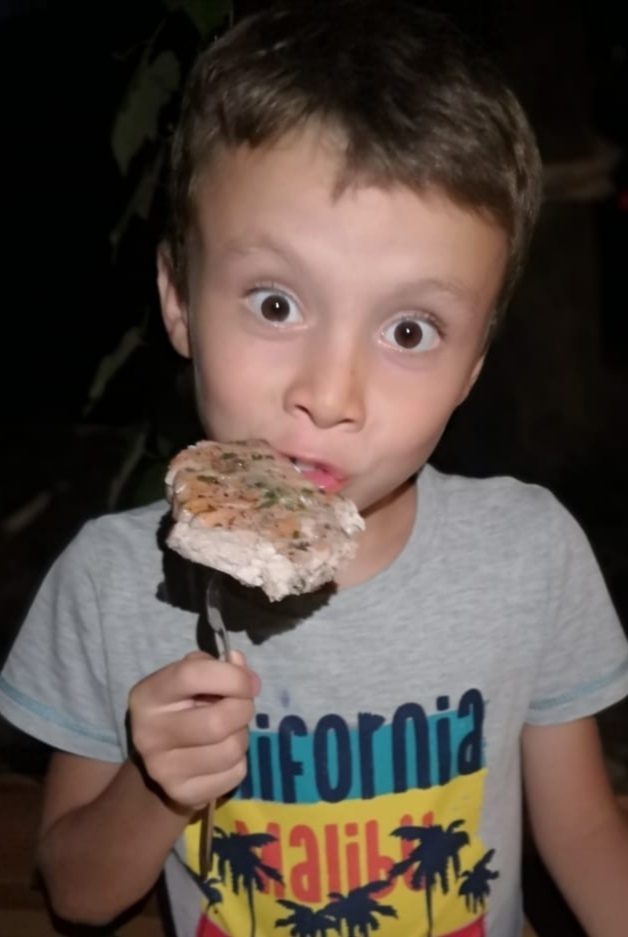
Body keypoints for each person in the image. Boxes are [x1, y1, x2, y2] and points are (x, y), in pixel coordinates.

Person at [2, 3, 628, 936]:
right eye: (276, 303)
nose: (331, 394)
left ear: (473, 367)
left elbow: (583, 832)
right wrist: (156, 786)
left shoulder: (530, 556)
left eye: (409, 330)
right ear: (178, 299)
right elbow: (77, 892)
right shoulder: (109, 583)